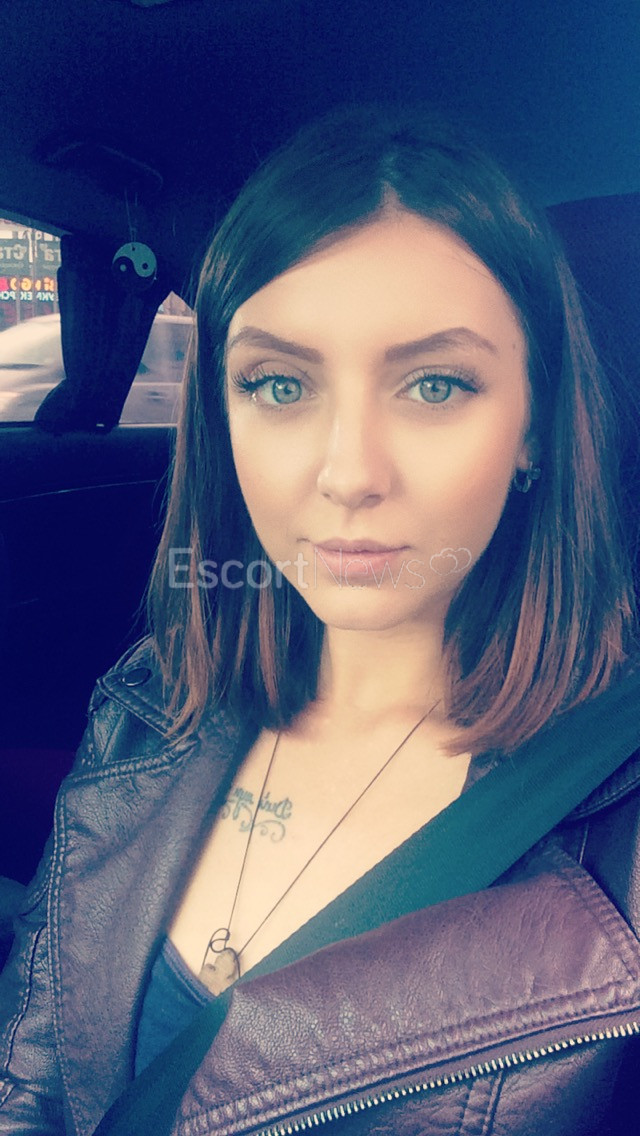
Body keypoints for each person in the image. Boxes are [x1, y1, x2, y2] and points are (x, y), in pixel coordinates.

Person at [2, 103, 640, 1136]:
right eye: (278, 384)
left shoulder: (617, 832)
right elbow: (27, 1077)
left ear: (532, 425)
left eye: (435, 384)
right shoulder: (151, 700)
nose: (348, 473)